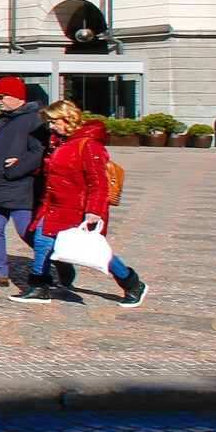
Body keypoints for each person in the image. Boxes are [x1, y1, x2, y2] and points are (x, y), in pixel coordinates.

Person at [11, 100, 149, 307]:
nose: (50, 126)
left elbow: (99, 183)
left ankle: (132, 283)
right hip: (53, 205)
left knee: (93, 251)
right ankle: (40, 287)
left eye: (54, 121)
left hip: (76, 208)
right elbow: (54, 169)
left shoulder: (89, 145)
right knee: (42, 243)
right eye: (49, 122)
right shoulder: (60, 141)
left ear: (68, 119)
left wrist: (94, 211)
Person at [0, 75, 46, 287]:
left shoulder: (36, 120)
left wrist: (16, 168)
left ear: (18, 96)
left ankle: (56, 262)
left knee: (28, 232)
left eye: (2, 96)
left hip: (21, 186)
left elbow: (38, 151)